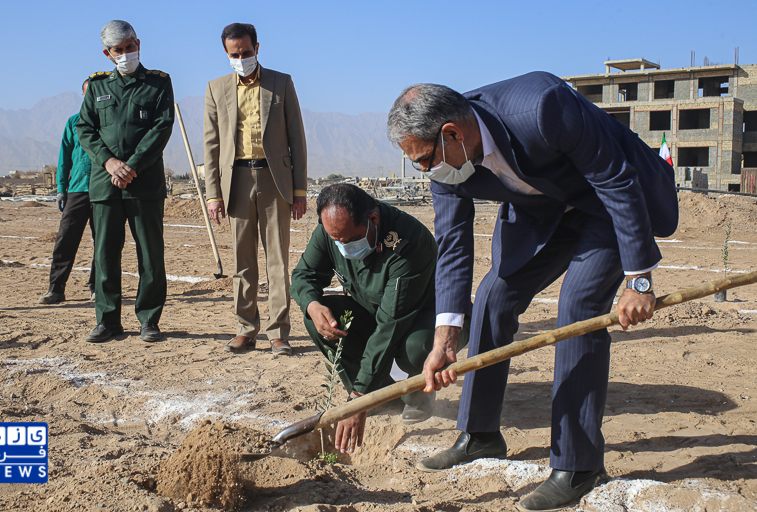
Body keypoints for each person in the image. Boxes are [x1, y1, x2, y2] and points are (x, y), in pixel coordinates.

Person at [386, 73, 678, 511]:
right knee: (492, 299)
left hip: (610, 203)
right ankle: (479, 434)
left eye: (425, 159)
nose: (425, 171)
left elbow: (615, 178)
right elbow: (453, 245)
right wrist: (445, 339)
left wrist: (639, 280)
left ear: (452, 133)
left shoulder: (542, 108)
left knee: (578, 305)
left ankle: (578, 465)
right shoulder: (446, 165)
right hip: (544, 213)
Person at [290, 184, 469, 453]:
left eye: (349, 240)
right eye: (336, 240)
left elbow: (390, 327)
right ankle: (381, 397)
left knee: (414, 348)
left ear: (373, 220)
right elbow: (304, 275)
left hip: (429, 320)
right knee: (320, 319)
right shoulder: (333, 229)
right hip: (376, 312)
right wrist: (312, 305)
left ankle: (417, 397)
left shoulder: (408, 243)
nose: (342, 246)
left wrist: (357, 400)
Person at [203, 23, 307, 356]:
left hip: (275, 181)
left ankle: (279, 333)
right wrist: (213, 194)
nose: (241, 58)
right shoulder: (216, 89)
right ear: (226, 53)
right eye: (234, 54)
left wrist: (300, 191)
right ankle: (245, 329)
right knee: (242, 261)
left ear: (257, 48)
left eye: (246, 52)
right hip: (236, 182)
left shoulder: (281, 83)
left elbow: (297, 139)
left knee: (277, 261)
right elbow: (211, 145)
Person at [76, 20, 174, 344]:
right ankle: (107, 322)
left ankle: (149, 320)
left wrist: (131, 165)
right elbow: (84, 128)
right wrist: (109, 162)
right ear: (107, 53)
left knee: (150, 255)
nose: (125, 53)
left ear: (138, 44)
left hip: (144, 184)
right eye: (118, 50)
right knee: (105, 255)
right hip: (105, 185)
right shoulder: (97, 86)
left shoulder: (159, 83)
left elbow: (162, 127)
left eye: (130, 46)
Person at [38, 78, 96, 305]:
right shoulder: (73, 122)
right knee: (66, 239)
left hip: (104, 190)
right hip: (77, 189)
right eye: (88, 92)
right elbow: (64, 159)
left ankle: (97, 287)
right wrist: (61, 189)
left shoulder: (111, 121)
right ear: (83, 95)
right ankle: (56, 289)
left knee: (104, 242)